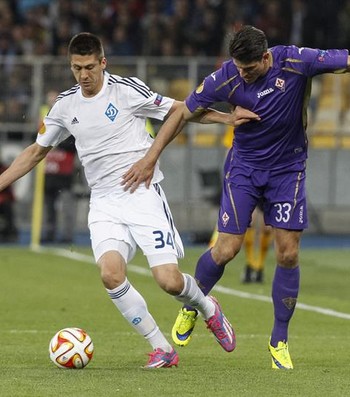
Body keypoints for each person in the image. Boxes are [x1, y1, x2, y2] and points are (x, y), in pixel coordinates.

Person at [0, 32, 257, 368]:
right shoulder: (64, 106)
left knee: (168, 280)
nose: (84, 75)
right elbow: (36, 151)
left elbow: (180, 110)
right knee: (110, 274)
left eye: (90, 67)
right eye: (77, 68)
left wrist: (226, 118)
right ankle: (162, 348)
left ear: (103, 62)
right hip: (104, 202)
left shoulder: (126, 90)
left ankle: (209, 308)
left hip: (142, 195)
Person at [122, 25, 350, 369]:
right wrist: (153, 156)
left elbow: (344, 59)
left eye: (249, 68)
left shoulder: (296, 61)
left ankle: (279, 341)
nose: (242, 74)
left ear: (266, 56)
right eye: (238, 67)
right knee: (227, 249)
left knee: (287, 254)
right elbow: (184, 112)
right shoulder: (225, 78)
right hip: (244, 169)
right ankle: (193, 304)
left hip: (289, 170)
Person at [208, 126, 273, 284]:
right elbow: (230, 149)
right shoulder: (241, 116)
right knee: (248, 221)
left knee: (267, 226)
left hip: (272, 174)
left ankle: (260, 266)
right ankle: (251, 265)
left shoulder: (275, 113)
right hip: (247, 175)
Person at [39, 90, 77, 243]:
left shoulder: (69, 118)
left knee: (66, 205)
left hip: (64, 171)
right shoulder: (44, 119)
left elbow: (74, 142)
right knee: (48, 205)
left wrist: (55, 142)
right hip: (48, 170)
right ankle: (49, 232)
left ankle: (67, 235)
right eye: (50, 99)